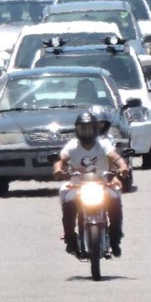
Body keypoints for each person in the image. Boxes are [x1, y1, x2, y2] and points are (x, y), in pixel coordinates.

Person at [53, 110, 129, 257]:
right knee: (68, 201)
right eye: (83, 128)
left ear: (96, 129)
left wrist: (123, 166)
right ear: (77, 130)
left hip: (103, 185)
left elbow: (115, 157)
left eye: (89, 128)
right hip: (78, 186)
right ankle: (70, 239)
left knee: (115, 200)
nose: (87, 132)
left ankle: (115, 239)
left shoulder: (103, 144)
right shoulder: (72, 145)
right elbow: (61, 159)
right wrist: (58, 169)